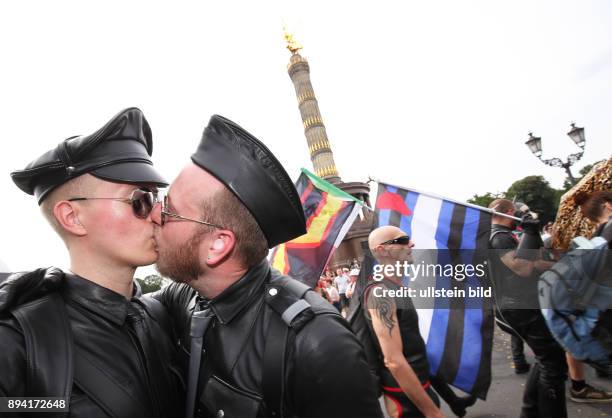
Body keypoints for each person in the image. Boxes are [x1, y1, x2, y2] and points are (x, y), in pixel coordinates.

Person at [150, 115, 383, 418]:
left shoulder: (316, 342)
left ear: (218, 245)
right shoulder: (186, 298)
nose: (153, 214)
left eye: (169, 209)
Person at [0, 108, 183, 417]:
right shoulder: (17, 342)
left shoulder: (163, 315)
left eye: (157, 199)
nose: (157, 214)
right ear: (73, 217)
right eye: (140, 200)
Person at [488, 198, 567, 418]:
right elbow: (522, 269)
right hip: (519, 310)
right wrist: (531, 233)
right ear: (511, 211)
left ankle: (529, 412)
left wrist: (567, 265)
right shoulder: (499, 237)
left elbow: (536, 263)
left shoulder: (505, 235)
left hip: (522, 307)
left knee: (546, 359)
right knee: (553, 365)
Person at [367, 225, 444, 418]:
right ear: (381, 249)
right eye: (401, 240)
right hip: (404, 398)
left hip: (417, 385)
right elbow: (393, 361)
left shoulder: (394, 285)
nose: (411, 243)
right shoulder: (381, 292)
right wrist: (432, 412)